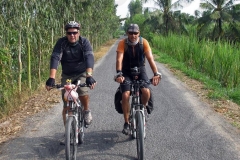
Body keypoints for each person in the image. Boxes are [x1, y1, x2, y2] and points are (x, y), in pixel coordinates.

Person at [46, 21, 96, 127]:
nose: (72, 35)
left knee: (82, 91)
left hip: (81, 73)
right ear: (66, 34)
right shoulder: (62, 43)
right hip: (67, 75)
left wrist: (89, 76)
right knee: (66, 103)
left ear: (78, 32)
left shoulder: (84, 42)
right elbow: (55, 58)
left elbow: (89, 58)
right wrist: (51, 78)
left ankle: (86, 110)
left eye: (74, 32)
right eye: (69, 33)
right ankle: (67, 133)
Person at [114, 23, 162, 135]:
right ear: (127, 33)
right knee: (125, 94)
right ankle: (126, 122)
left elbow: (150, 58)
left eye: (135, 33)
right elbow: (119, 59)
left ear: (139, 33)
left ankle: (143, 109)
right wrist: (119, 73)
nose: (133, 35)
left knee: (146, 91)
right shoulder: (122, 43)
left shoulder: (143, 42)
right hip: (126, 71)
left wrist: (156, 73)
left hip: (141, 70)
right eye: (130, 33)